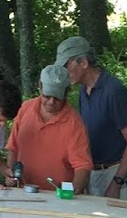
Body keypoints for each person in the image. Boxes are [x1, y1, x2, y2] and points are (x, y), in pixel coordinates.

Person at [56, 36, 127, 200]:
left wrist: (117, 182)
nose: (64, 72)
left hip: (115, 173)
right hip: (93, 173)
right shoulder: (82, 90)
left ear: (83, 62)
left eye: (66, 66)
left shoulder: (113, 91)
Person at [6, 64, 91, 193]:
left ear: (67, 91)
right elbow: (13, 148)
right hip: (23, 191)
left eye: (57, 97)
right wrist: (10, 176)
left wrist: (73, 191)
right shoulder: (25, 109)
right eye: (47, 95)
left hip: (56, 195)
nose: (51, 102)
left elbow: (83, 166)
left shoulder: (74, 123)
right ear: (40, 87)